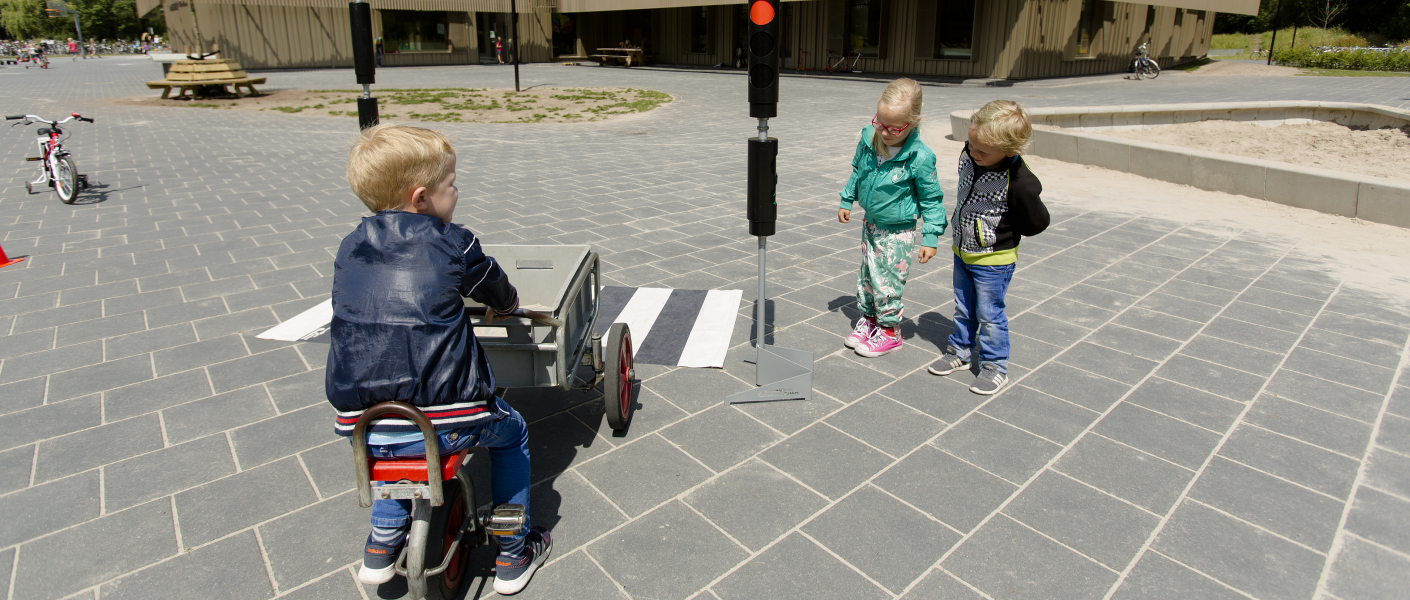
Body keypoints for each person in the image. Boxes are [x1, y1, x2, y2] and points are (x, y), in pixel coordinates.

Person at [328, 124, 551, 595]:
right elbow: (494, 284)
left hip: (361, 419)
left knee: (392, 447)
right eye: (451, 185)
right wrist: (508, 307)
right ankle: (514, 553)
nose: (457, 192)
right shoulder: (455, 242)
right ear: (421, 198)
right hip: (448, 415)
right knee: (513, 433)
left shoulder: (350, 248)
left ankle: (381, 543)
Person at [928, 100, 1050, 395]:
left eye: (982, 151)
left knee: (989, 313)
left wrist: (998, 233)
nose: (973, 153)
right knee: (962, 306)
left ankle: (995, 366)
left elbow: (1037, 221)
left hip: (994, 259)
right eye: (970, 144)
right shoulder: (970, 154)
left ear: (1010, 151)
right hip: (962, 249)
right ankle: (959, 350)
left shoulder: (1020, 181)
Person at [838, 78, 946, 358]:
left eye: (894, 128)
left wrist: (931, 236)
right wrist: (847, 198)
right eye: (880, 123)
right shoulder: (869, 139)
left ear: (913, 122)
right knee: (867, 276)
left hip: (898, 231)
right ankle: (870, 320)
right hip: (871, 224)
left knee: (888, 280)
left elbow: (932, 199)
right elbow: (857, 170)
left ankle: (889, 331)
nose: (885, 133)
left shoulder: (920, 157)